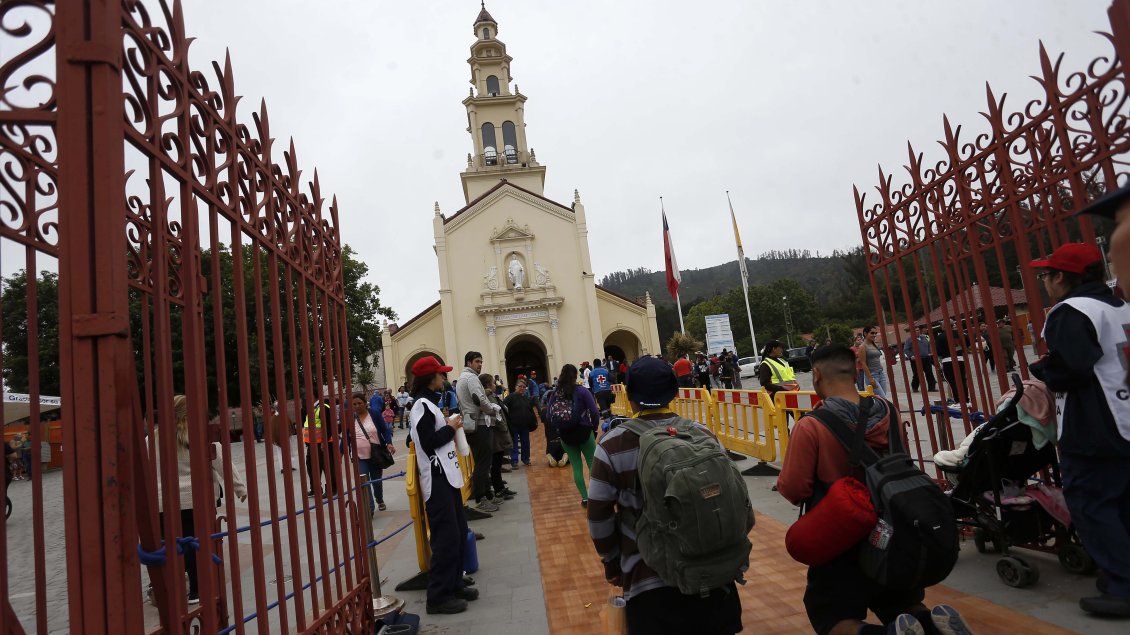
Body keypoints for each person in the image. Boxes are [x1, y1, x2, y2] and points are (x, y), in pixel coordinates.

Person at [777, 345, 974, 635]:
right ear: (857, 370)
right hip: (894, 529)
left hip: (843, 536)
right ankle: (937, 626)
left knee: (831, 614)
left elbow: (794, 488)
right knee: (900, 599)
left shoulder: (812, 425)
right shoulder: (888, 411)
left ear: (816, 374)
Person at [588, 356, 744, 634]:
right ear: (674, 392)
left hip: (648, 583)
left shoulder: (611, 445)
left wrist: (612, 562)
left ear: (630, 395)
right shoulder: (702, 434)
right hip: (714, 577)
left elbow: (598, 515)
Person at [1028, 242, 1130, 617]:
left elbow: (1072, 368)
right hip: (1124, 416)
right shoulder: (1120, 306)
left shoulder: (1070, 311)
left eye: (1046, 275)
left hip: (1094, 424)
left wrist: (1042, 370)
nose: (1044, 282)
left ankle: (1123, 585)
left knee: (1093, 503)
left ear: (1062, 278)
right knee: (1123, 502)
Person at [154, 394, 247, 605]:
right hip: (196, 501)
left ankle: (169, 588)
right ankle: (197, 589)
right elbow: (222, 463)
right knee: (195, 544)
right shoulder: (199, 436)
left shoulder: (153, 438)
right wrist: (240, 489)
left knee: (172, 545)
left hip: (163, 503)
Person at [407, 355, 479, 615]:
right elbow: (428, 442)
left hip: (447, 477)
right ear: (431, 378)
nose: (444, 378)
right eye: (441, 374)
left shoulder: (430, 404)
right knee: (446, 538)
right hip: (435, 480)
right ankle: (437, 597)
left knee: (458, 532)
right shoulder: (420, 407)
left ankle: (454, 583)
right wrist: (450, 427)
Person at [456, 351, 500, 514]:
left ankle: (487, 494)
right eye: (477, 361)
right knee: (483, 462)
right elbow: (480, 399)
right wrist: (492, 411)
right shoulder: (472, 378)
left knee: (481, 460)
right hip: (479, 423)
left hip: (470, 423)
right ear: (469, 362)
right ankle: (481, 497)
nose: (480, 364)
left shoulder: (462, 378)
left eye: (481, 361)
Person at [549, 364, 600, 506]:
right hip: (584, 430)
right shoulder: (582, 391)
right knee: (592, 464)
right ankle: (595, 496)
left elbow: (549, 415)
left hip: (566, 435)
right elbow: (594, 412)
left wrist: (561, 426)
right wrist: (594, 428)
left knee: (576, 467)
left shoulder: (555, 393)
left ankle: (584, 498)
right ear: (575, 376)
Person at [353, 393, 395, 512]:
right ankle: (369, 508)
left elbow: (385, 430)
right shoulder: (351, 418)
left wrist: (389, 443)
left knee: (376, 482)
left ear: (365, 403)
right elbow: (346, 436)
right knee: (364, 483)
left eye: (359, 403)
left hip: (376, 455)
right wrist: (340, 452)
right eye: (354, 404)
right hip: (360, 457)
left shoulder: (374, 414)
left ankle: (379, 499)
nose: (357, 406)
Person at [480, 373, 516, 497]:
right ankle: (498, 489)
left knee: (498, 462)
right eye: (493, 383)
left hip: (498, 434)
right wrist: (504, 427)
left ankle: (500, 487)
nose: (495, 385)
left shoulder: (491, 395)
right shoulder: (488, 397)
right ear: (488, 385)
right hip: (496, 434)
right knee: (496, 463)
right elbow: (495, 414)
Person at [303, 395, 339, 498]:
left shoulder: (323, 407)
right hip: (312, 444)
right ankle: (315, 488)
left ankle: (332, 489)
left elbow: (329, 425)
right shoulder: (312, 409)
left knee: (327, 466)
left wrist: (324, 441)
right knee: (312, 466)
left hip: (324, 444)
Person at [504, 379, 538, 468]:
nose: (522, 388)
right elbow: (503, 409)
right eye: (520, 386)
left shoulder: (526, 398)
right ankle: (514, 461)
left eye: (524, 387)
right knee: (514, 443)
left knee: (526, 443)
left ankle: (526, 459)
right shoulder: (510, 397)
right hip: (513, 425)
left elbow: (530, 410)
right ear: (516, 387)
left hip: (525, 425)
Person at [857, 327, 890, 399]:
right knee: (883, 399)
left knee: (880, 400)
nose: (874, 335)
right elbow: (863, 363)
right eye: (872, 333)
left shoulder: (874, 345)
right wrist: (870, 378)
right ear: (865, 334)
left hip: (881, 374)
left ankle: (874, 410)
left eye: (875, 333)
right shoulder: (862, 346)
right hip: (872, 375)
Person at [902, 324, 938, 392]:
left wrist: (930, 352)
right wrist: (911, 356)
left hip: (926, 358)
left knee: (929, 373)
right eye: (915, 331)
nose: (917, 332)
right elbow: (906, 349)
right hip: (916, 360)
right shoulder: (909, 340)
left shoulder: (924, 337)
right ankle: (915, 387)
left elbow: (928, 345)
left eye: (918, 330)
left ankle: (931, 387)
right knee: (917, 374)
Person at [589, 359, 615, 424]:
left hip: (599, 392)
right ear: (600, 364)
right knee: (608, 406)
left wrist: (593, 389)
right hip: (608, 390)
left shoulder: (592, 373)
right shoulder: (606, 371)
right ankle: (612, 421)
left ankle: (608, 423)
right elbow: (612, 378)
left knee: (603, 408)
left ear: (594, 364)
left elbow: (590, 383)